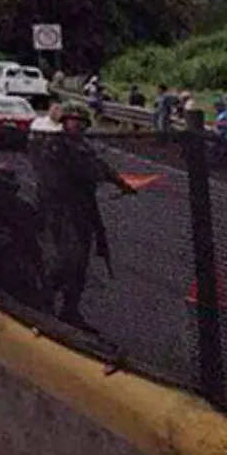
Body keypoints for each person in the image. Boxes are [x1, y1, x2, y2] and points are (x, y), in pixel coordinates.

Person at [35, 107, 139, 331]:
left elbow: (101, 167)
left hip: (83, 211)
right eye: (74, 121)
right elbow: (59, 180)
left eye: (82, 122)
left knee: (80, 263)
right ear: (65, 122)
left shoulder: (83, 147)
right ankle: (44, 303)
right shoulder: (55, 146)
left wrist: (121, 183)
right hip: (61, 212)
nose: (79, 125)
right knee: (65, 261)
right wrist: (90, 176)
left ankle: (70, 310)